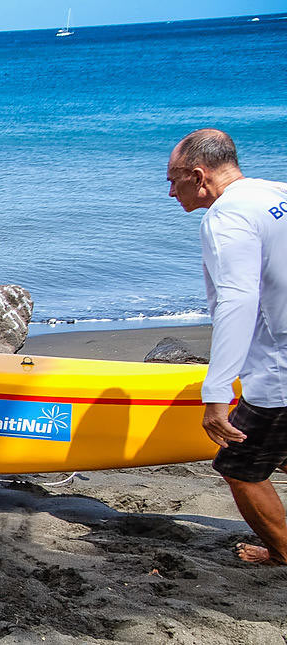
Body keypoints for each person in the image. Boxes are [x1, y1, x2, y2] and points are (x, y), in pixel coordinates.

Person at [168, 128, 287, 566]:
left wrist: (216, 392)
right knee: (282, 454)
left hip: (279, 369)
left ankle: (282, 553)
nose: (170, 191)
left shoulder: (225, 217)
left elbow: (238, 301)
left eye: (173, 179)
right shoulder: (277, 192)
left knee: (239, 467)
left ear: (199, 176)